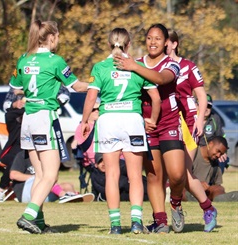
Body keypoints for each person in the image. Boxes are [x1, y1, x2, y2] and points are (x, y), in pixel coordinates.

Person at [10, 19, 89, 234]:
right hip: (44, 117)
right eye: (58, 36)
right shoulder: (55, 61)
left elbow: (15, 88)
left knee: (39, 173)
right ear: (51, 37)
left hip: (28, 117)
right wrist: (98, 81)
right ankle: (28, 215)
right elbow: (77, 86)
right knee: (51, 175)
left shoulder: (23, 59)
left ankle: (39, 222)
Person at [81, 27, 161, 235]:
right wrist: (151, 119)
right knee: (135, 175)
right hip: (132, 121)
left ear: (109, 44)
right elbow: (156, 98)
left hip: (108, 121)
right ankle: (136, 222)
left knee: (112, 175)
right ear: (128, 44)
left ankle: (115, 225)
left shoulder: (100, 67)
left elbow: (91, 97)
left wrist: (85, 121)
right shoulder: (138, 66)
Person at [115, 23, 186, 233]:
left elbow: (161, 79)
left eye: (157, 38)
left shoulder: (171, 64)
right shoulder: (135, 63)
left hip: (169, 123)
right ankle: (160, 221)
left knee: (177, 175)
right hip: (146, 125)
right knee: (154, 176)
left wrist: (134, 67)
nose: (152, 42)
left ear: (166, 42)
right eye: (149, 38)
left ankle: (175, 202)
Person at [167, 30, 218, 232]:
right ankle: (173, 209)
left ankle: (205, 209)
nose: (160, 45)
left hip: (187, 124)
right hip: (165, 124)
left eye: (165, 42)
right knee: (171, 174)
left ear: (174, 44)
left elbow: (202, 96)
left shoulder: (188, 67)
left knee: (183, 173)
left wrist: (198, 119)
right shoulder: (156, 67)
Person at [0, 85, 70, 202]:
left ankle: (65, 194)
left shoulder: (47, 80)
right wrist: (16, 105)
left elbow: (65, 94)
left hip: (40, 128)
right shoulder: (13, 116)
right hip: (17, 148)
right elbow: (7, 106)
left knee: (47, 172)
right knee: (41, 174)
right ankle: (1, 189)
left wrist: (50, 103)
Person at [10, 150, 94, 204]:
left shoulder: (46, 157)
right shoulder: (22, 155)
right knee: (45, 178)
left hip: (42, 193)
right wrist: (36, 177)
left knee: (68, 186)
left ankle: (71, 197)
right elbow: (13, 175)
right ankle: (64, 195)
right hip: (25, 193)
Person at [198, 94, 229, 172]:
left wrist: (223, 153)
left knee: (222, 159)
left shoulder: (215, 118)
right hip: (194, 151)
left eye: (208, 106)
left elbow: (221, 138)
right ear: (197, 105)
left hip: (211, 152)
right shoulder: (191, 117)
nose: (206, 108)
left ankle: (214, 182)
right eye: (203, 105)